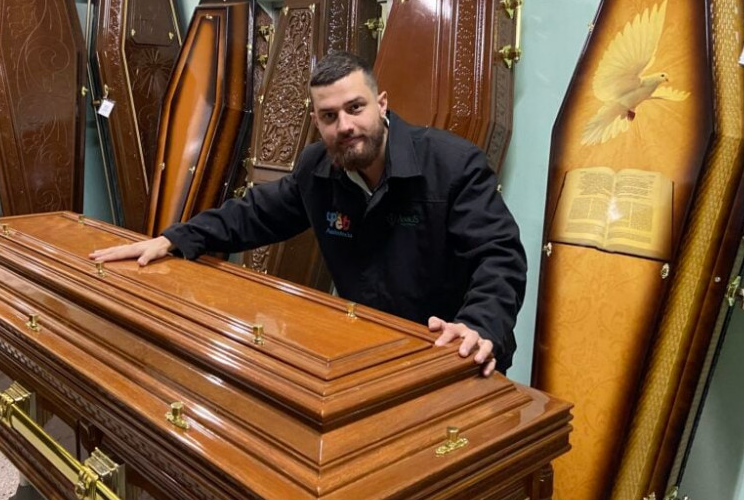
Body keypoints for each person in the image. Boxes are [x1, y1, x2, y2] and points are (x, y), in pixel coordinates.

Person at [90, 51, 527, 376]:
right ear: (317, 122)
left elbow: (500, 256)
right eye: (329, 116)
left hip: (455, 349)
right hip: (371, 348)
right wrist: (176, 238)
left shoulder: (452, 164)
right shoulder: (317, 168)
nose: (345, 126)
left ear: (382, 104)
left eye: (355, 108)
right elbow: (253, 214)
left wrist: (478, 325)